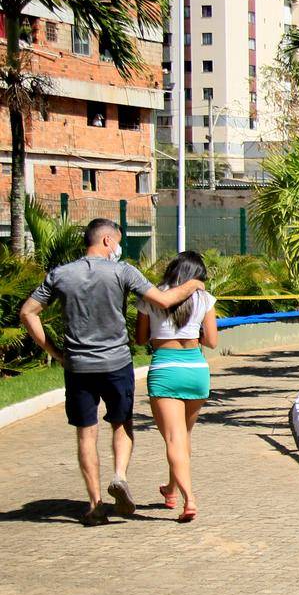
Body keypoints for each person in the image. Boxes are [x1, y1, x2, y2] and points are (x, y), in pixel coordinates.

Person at [19, 219, 206, 525]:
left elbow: (28, 312)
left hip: (78, 365)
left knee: (86, 433)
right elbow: (164, 299)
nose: (119, 248)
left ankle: (95, 505)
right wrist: (194, 284)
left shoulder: (61, 274)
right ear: (107, 241)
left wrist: (54, 352)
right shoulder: (123, 271)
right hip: (117, 362)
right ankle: (119, 475)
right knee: (121, 424)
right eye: (118, 241)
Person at [134, 251, 218, 524]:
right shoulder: (204, 299)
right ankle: (171, 490)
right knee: (183, 437)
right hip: (196, 371)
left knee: (173, 439)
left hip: (166, 371)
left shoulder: (152, 296)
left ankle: (189, 498)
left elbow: (140, 338)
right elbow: (212, 342)